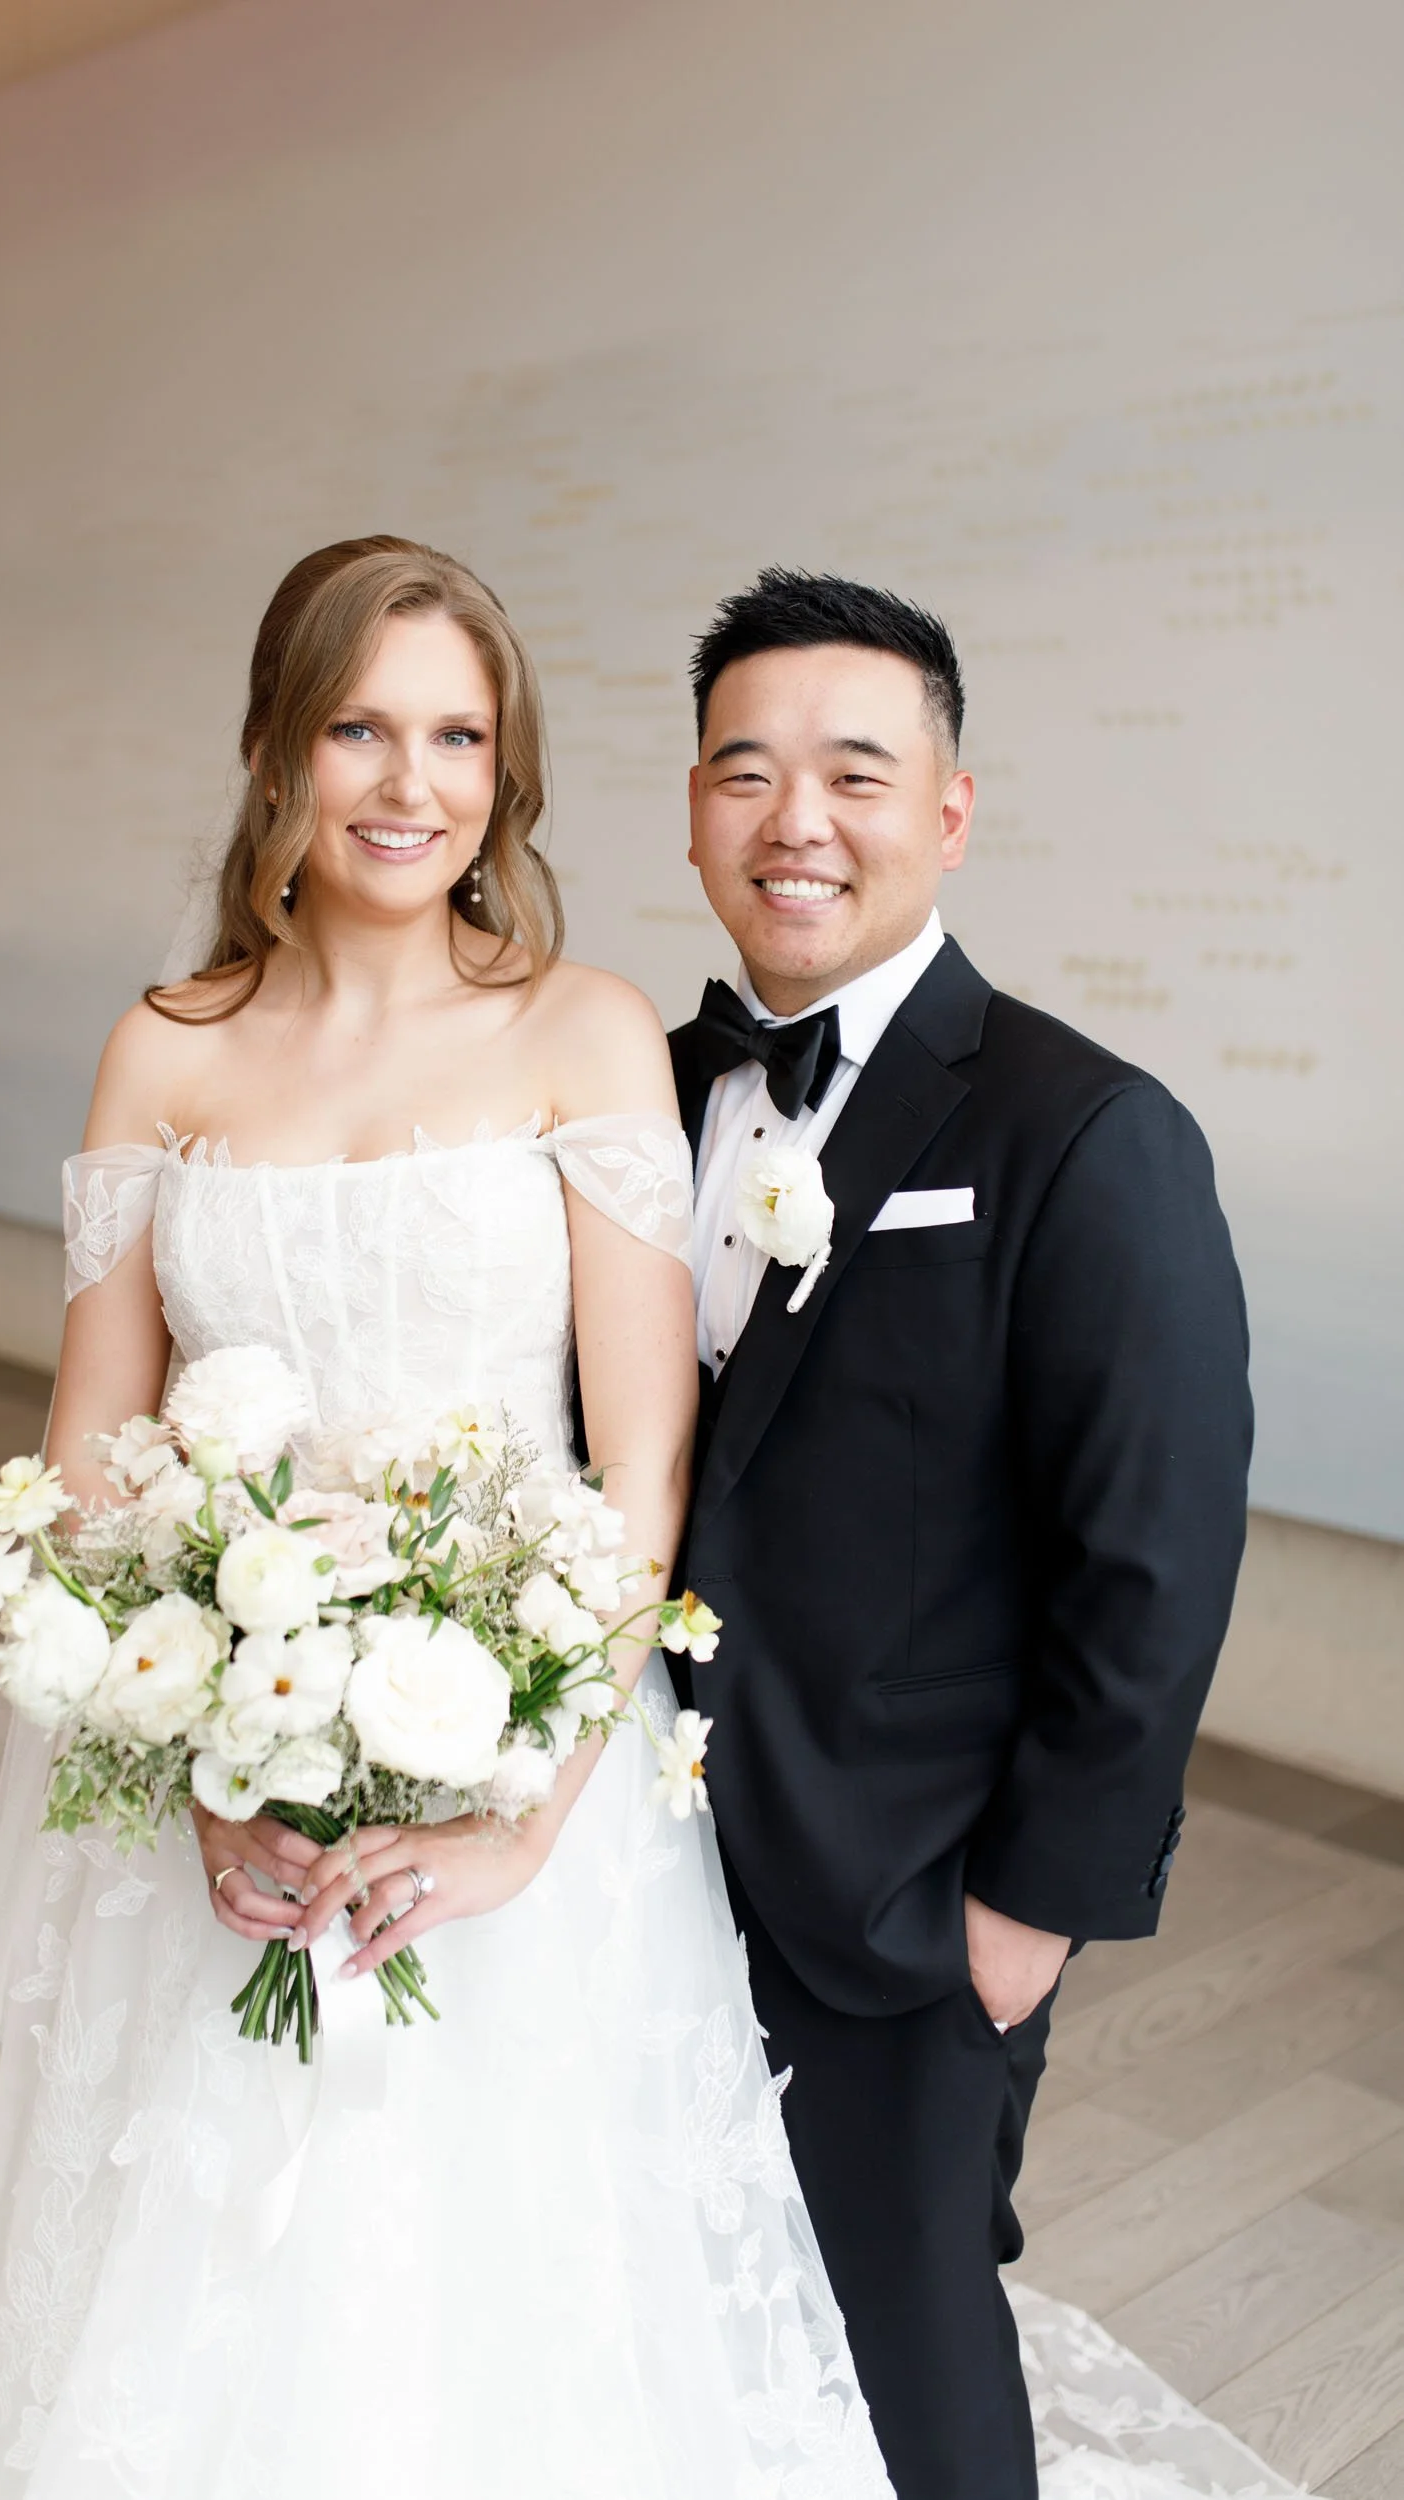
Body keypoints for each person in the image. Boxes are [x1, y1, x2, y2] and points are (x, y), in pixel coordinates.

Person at [0, 538, 891, 2500]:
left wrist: (521, 1807)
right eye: (360, 725)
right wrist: (184, 1759)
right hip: (227, 1757)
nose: (410, 781)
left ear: (507, 766)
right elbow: (95, 1454)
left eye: (457, 733)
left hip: (519, 1759)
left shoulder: (579, 1025)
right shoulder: (166, 1041)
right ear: (274, 750)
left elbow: (640, 1463)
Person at [668, 570, 1255, 2500]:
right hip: (631, 1861)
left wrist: (1026, 1917)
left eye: (852, 770)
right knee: (676, 2306)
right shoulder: (637, 1097)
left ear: (948, 809)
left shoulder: (1085, 1132)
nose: (793, 823)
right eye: (745, 774)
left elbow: (1147, 1563)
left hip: (904, 1897)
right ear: (692, 806)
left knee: (909, 2362)